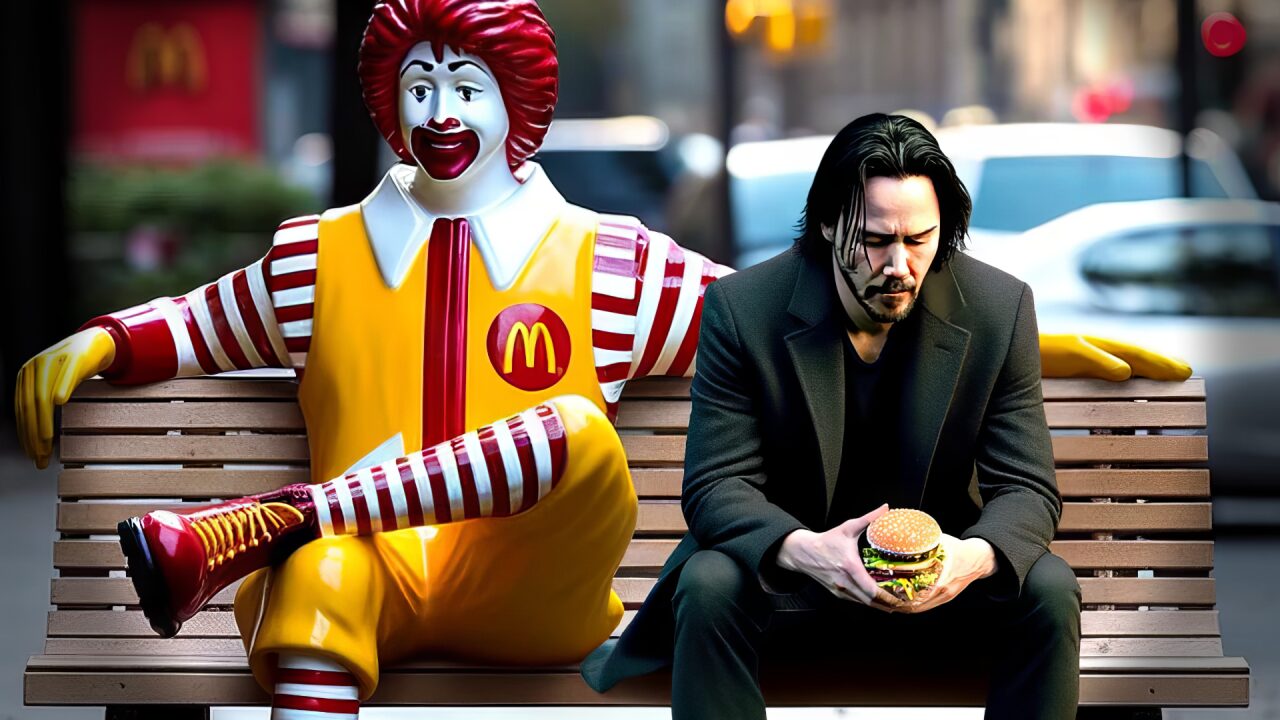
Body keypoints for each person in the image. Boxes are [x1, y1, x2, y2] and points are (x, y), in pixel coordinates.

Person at [11, 2, 728, 717]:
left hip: (536, 595)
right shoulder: (315, 260)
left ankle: (286, 517)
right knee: (319, 568)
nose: (440, 114)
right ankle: (309, 529)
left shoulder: (612, 266)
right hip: (372, 576)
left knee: (577, 432)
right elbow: (200, 321)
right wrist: (103, 338)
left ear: (519, 99)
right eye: (420, 89)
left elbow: (762, 312)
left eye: (468, 90)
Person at [581, 113, 1085, 720]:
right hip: (793, 590)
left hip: (940, 593)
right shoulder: (743, 309)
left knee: (1048, 588)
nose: (899, 263)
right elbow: (717, 485)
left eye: (920, 239)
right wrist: (807, 550)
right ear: (826, 224)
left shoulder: (999, 309)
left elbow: (1028, 489)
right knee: (709, 581)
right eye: (874, 240)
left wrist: (967, 560)